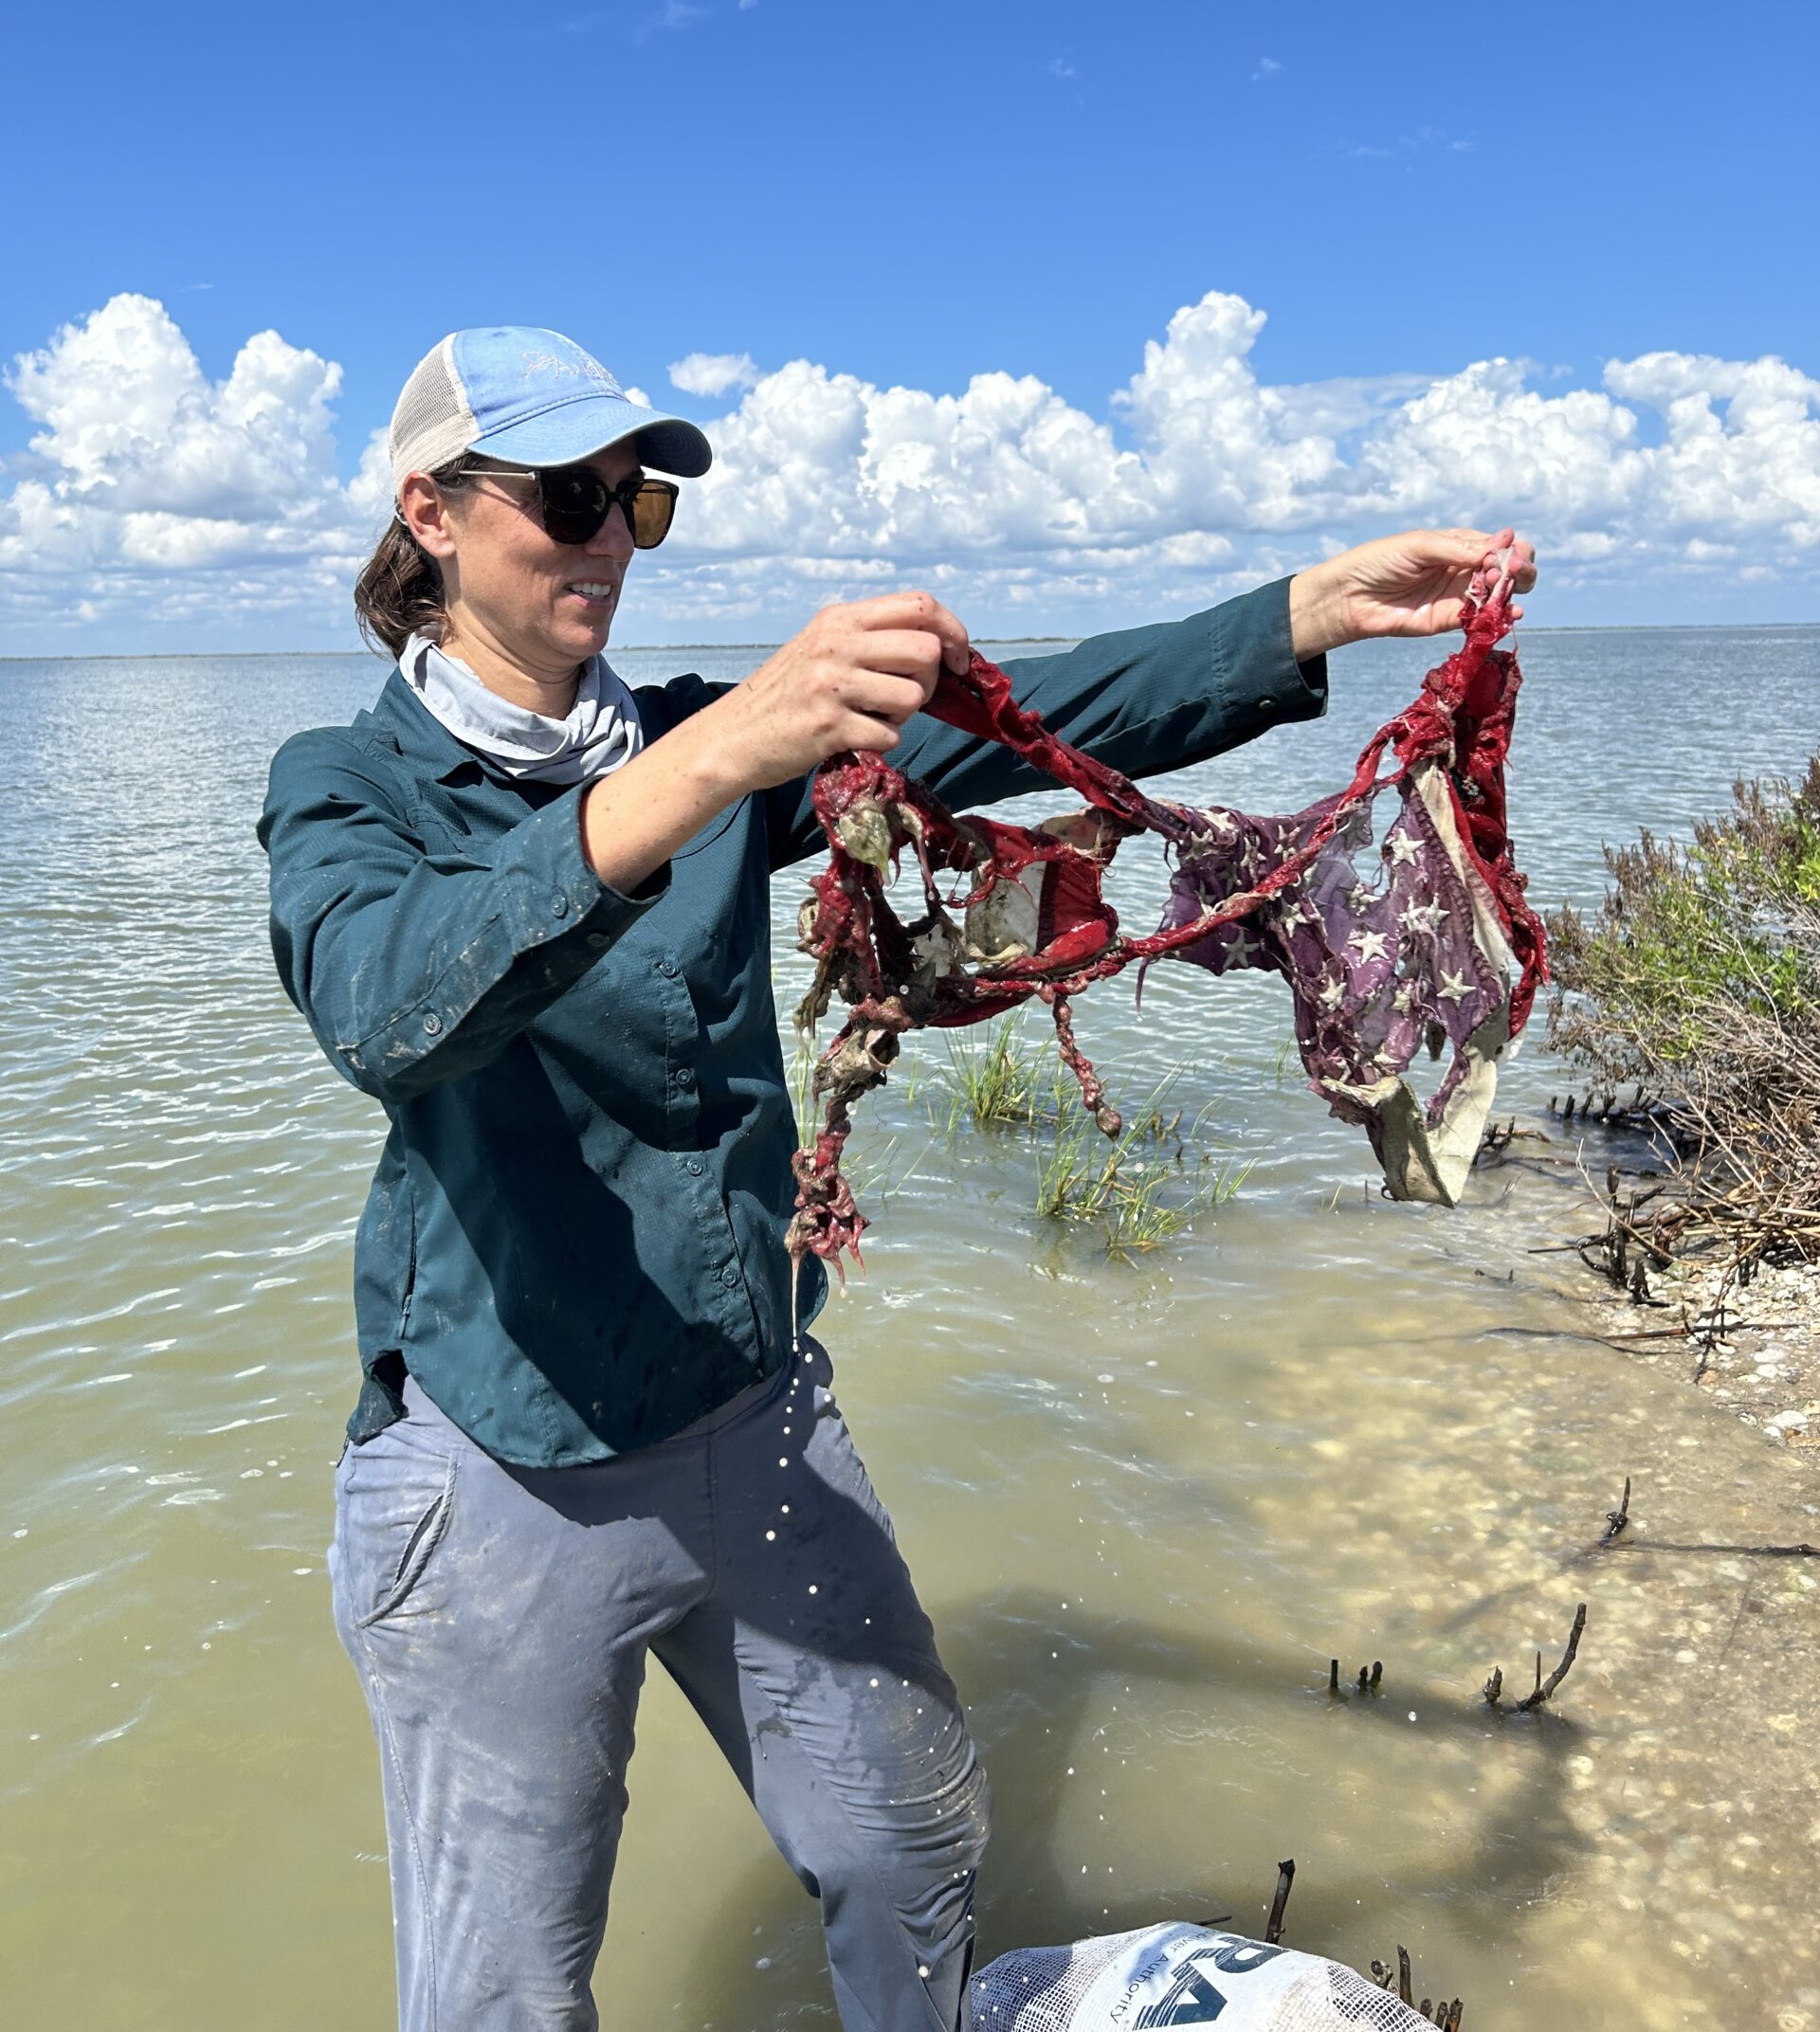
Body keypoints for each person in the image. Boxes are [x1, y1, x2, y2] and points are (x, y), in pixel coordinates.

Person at [259, 324, 1538, 2032]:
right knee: (501, 1992)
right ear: (432, 514)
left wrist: (1300, 610)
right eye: (568, 498)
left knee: (910, 1844)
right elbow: (384, 1002)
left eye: (635, 503)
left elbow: (1025, 718)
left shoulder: (708, 748)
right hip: (501, 1467)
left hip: (752, 1413)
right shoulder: (350, 789)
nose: (609, 542)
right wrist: (715, 757)